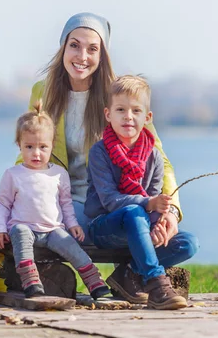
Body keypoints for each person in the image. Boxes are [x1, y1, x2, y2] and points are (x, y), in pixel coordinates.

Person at [0, 11, 198, 293]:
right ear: (63, 47)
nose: (82, 56)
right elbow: (30, 148)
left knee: (182, 241)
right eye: (74, 45)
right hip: (51, 197)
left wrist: (171, 211)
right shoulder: (43, 91)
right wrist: (16, 191)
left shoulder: (118, 97)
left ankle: (130, 274)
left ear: (102, 56)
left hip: (99, 204)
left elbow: (159, 158)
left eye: (92, 48)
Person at [84, 75, 193, 310]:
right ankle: (156, 285)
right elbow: (110, 200)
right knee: (134, 211)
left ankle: (129, 273)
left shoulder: (153, 156)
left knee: (188, 243)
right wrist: (149, 205)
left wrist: (157, 225)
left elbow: (153, 195)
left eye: (136, 110)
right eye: (121, 110)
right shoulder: (99, 152)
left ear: (148, 117)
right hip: (105, 227)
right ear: (108, 114)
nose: (128, 117)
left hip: (140, 227)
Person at [0, 101, 110, 299]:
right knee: (20, 234)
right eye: (29, 147)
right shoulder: (13, 174)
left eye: (42, 147)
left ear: (52, 146)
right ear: (19, 145)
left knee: (71, 246)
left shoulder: (58, 174)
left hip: (53, 230)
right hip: (24, 226)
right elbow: (3, 203)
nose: (36, 153)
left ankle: (94, 281)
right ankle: (30, 280)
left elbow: (65, 203)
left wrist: (72, 224)